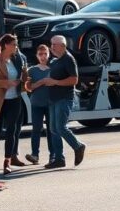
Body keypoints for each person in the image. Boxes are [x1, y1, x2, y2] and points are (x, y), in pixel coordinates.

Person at [32, 35, 86, 169]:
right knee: (53, 129)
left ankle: (78, 146)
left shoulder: (68, 59)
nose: (52, 47)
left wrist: (55, 82)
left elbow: (74, 80)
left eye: (54, 45)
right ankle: (59, 159)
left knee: (60, 127)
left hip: (64, 98)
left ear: (62, 45)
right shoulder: (55, 61)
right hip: (53, 99)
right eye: (51, 44)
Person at [0, 34, 27, 175]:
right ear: (6, 45)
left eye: (16, 44)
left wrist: (25, 77)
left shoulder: (17, 59)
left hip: (14, 99)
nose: (16, 47)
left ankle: (7, 161)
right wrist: (6, 83)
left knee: (11, 130)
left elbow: (22, 76)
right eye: (14, 44)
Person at [24, 44, 53, 165]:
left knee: (51, 130)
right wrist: (41, 82)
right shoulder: (32, 70)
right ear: (37, 55)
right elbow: (28, 87)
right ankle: (35, 155)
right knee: (36, 129)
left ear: (48, 55)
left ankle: (53, 156)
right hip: (36, 104)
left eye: (45, 54)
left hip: (51, 104)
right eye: (40, 54)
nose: (43, 56)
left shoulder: (53, 69)